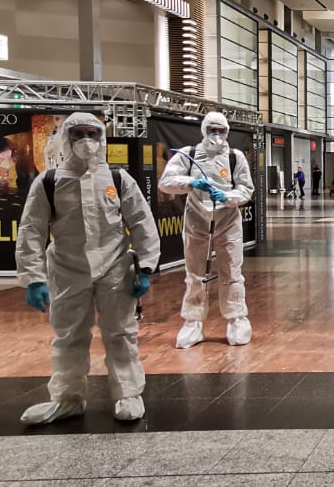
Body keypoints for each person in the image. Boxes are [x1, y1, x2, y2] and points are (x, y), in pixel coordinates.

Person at [17, 113, 161, 424]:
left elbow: (141, 223)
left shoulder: (118, 179)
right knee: (69, 335)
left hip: (115, 267)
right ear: (65, 138)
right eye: (78, 134)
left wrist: (145, 267)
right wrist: (33, 278)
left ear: (102, 138)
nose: (86, 141)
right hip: (68, 268)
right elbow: (31, 230)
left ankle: (128, 391)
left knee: (121, 332)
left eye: (93, 134)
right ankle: (68, 397)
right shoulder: (49, 181)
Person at [158, 112, 256, 349]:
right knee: (195, 272)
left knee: (232, 270)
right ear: (203, 130)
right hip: (196, 219)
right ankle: (192, 321)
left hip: (227, 218)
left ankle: (236, 318)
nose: (216, 135)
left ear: (227, 132)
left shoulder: (235, 157)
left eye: (220, 130)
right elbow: (165, 182)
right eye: (211, 130)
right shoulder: (188, 155)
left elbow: (246, 189)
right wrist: (191, 183)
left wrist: (228, 196)